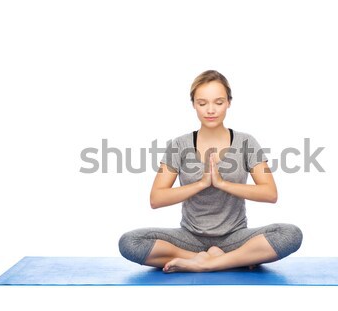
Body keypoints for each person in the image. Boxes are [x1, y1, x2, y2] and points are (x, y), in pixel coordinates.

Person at [119, 70, 303, 273]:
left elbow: (270, 193)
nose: (211, 110)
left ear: (229, 103)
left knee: (290, 234)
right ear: (193, 105)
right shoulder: (179, 145)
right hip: (189, 238)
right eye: (202, 103)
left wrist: (223, 183)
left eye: (218, 102)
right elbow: (156, 198)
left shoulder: (246, 142)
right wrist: (202, 183)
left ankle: (207, 263)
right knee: (130, 242)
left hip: (235, 238)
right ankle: (220, 260)